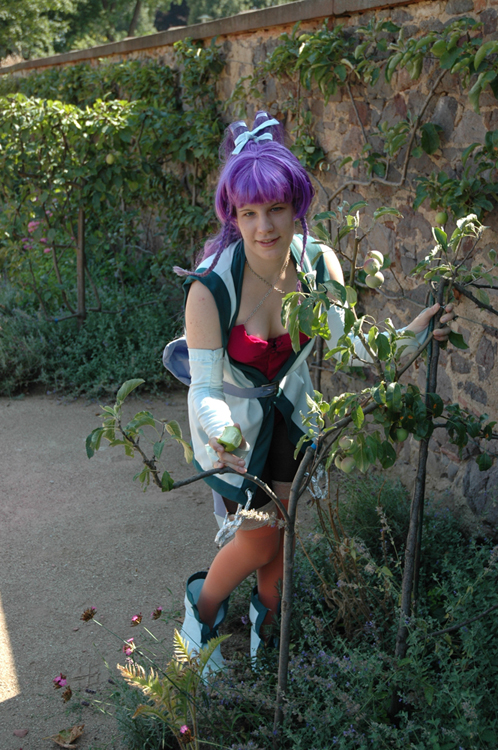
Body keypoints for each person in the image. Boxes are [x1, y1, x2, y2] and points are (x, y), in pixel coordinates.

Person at [174, 111, 455, 669]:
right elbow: (203, 389)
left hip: (291, 416)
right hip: (232, 428)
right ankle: (200, 611)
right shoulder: (209, 287)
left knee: (280, 533)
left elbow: (351, 347)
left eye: (276, 208)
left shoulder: (317, 264)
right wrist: (221, 432)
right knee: (258, 538)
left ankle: (267, 638)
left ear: (296, 204)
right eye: (249, 213)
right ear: (233, 215)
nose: (264, 227)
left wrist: (411, 337)